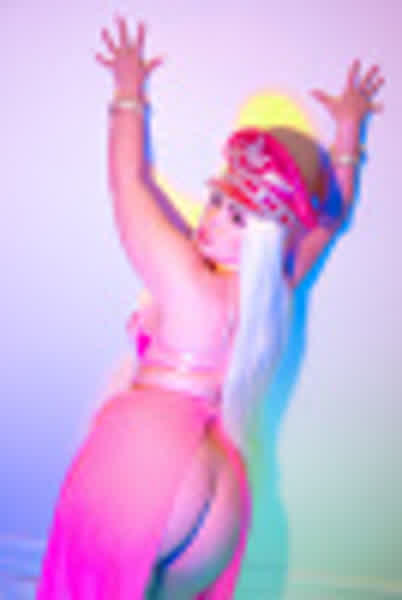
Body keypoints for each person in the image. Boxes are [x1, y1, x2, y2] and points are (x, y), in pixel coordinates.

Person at [36, 14, 385, 600]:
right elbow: (330, 218)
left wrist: (128, 90)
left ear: (264, 238)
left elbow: (128, 184)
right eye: (218, 199)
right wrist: (347, 133)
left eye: (237, 217)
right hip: (221, 494)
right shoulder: (274, 289)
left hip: (148, 465)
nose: (212, 218)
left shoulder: (185, 280)